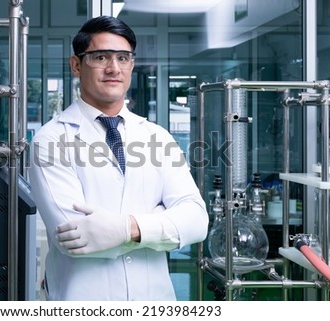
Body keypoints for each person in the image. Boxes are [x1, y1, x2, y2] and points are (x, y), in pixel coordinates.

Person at [29, 15, 208, 301]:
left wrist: (125, 229)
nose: (114, 68)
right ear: (76, 65)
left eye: (123, 58)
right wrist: (160, 222)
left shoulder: (156, 136)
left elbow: (197, 221)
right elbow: (74, 238)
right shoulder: (51, 140)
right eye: (100, 57)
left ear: (131, 65)